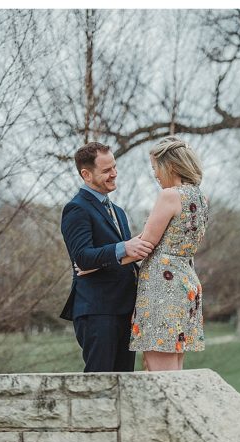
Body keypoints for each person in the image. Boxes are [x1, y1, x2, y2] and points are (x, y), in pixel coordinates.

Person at [61, 142, 154, 372]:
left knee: (124, 385)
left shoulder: (119, 212)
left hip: (125, 310)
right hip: (97, 312)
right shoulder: (77, 209)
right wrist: (124, 248)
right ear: (86, 174)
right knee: (98, 387)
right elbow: (82, 257)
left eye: (114, 167)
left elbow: (124, 257)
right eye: (106, 170)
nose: (114, 174)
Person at [123, 136, 209, 371]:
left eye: (155, 167)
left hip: (163, 285)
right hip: (186, 280)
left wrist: (99, 262)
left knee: (163, 376)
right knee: (175, 372)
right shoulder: (201, 198)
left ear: (169, 165)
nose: (154, 174)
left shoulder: (170, 195)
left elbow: (146, 244)